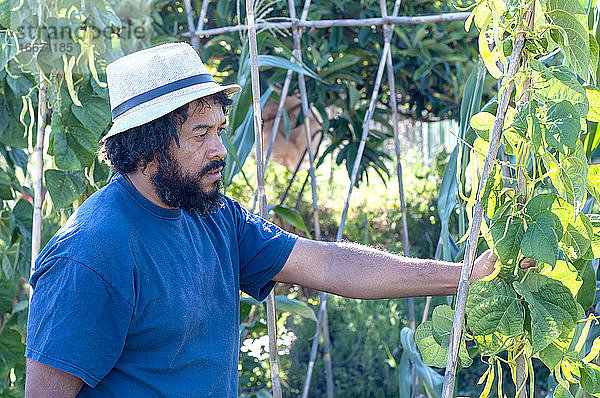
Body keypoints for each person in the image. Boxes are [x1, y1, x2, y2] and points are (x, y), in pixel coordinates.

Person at [24, 43, 501, 397]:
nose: (219, 150)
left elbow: (332, 266)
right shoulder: (91, 255)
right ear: (147, 146)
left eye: (219, 131)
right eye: (200, 135)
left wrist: (461, 277)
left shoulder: (211, 217)